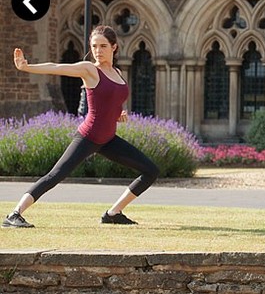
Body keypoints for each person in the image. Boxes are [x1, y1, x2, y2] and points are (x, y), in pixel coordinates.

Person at [2, 25, 159, 228]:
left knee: (151, 171)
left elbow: (111, 100)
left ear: (114, 47)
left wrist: (117, 114)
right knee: (55, 175)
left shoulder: (118, 73)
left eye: (103, 46)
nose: (98, 50)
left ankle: (113, 213)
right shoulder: (89, 69)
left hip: (108, 139)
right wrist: (27, 67)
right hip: (88, 136)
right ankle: (14, 214)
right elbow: (58, 67)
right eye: (94, 46)